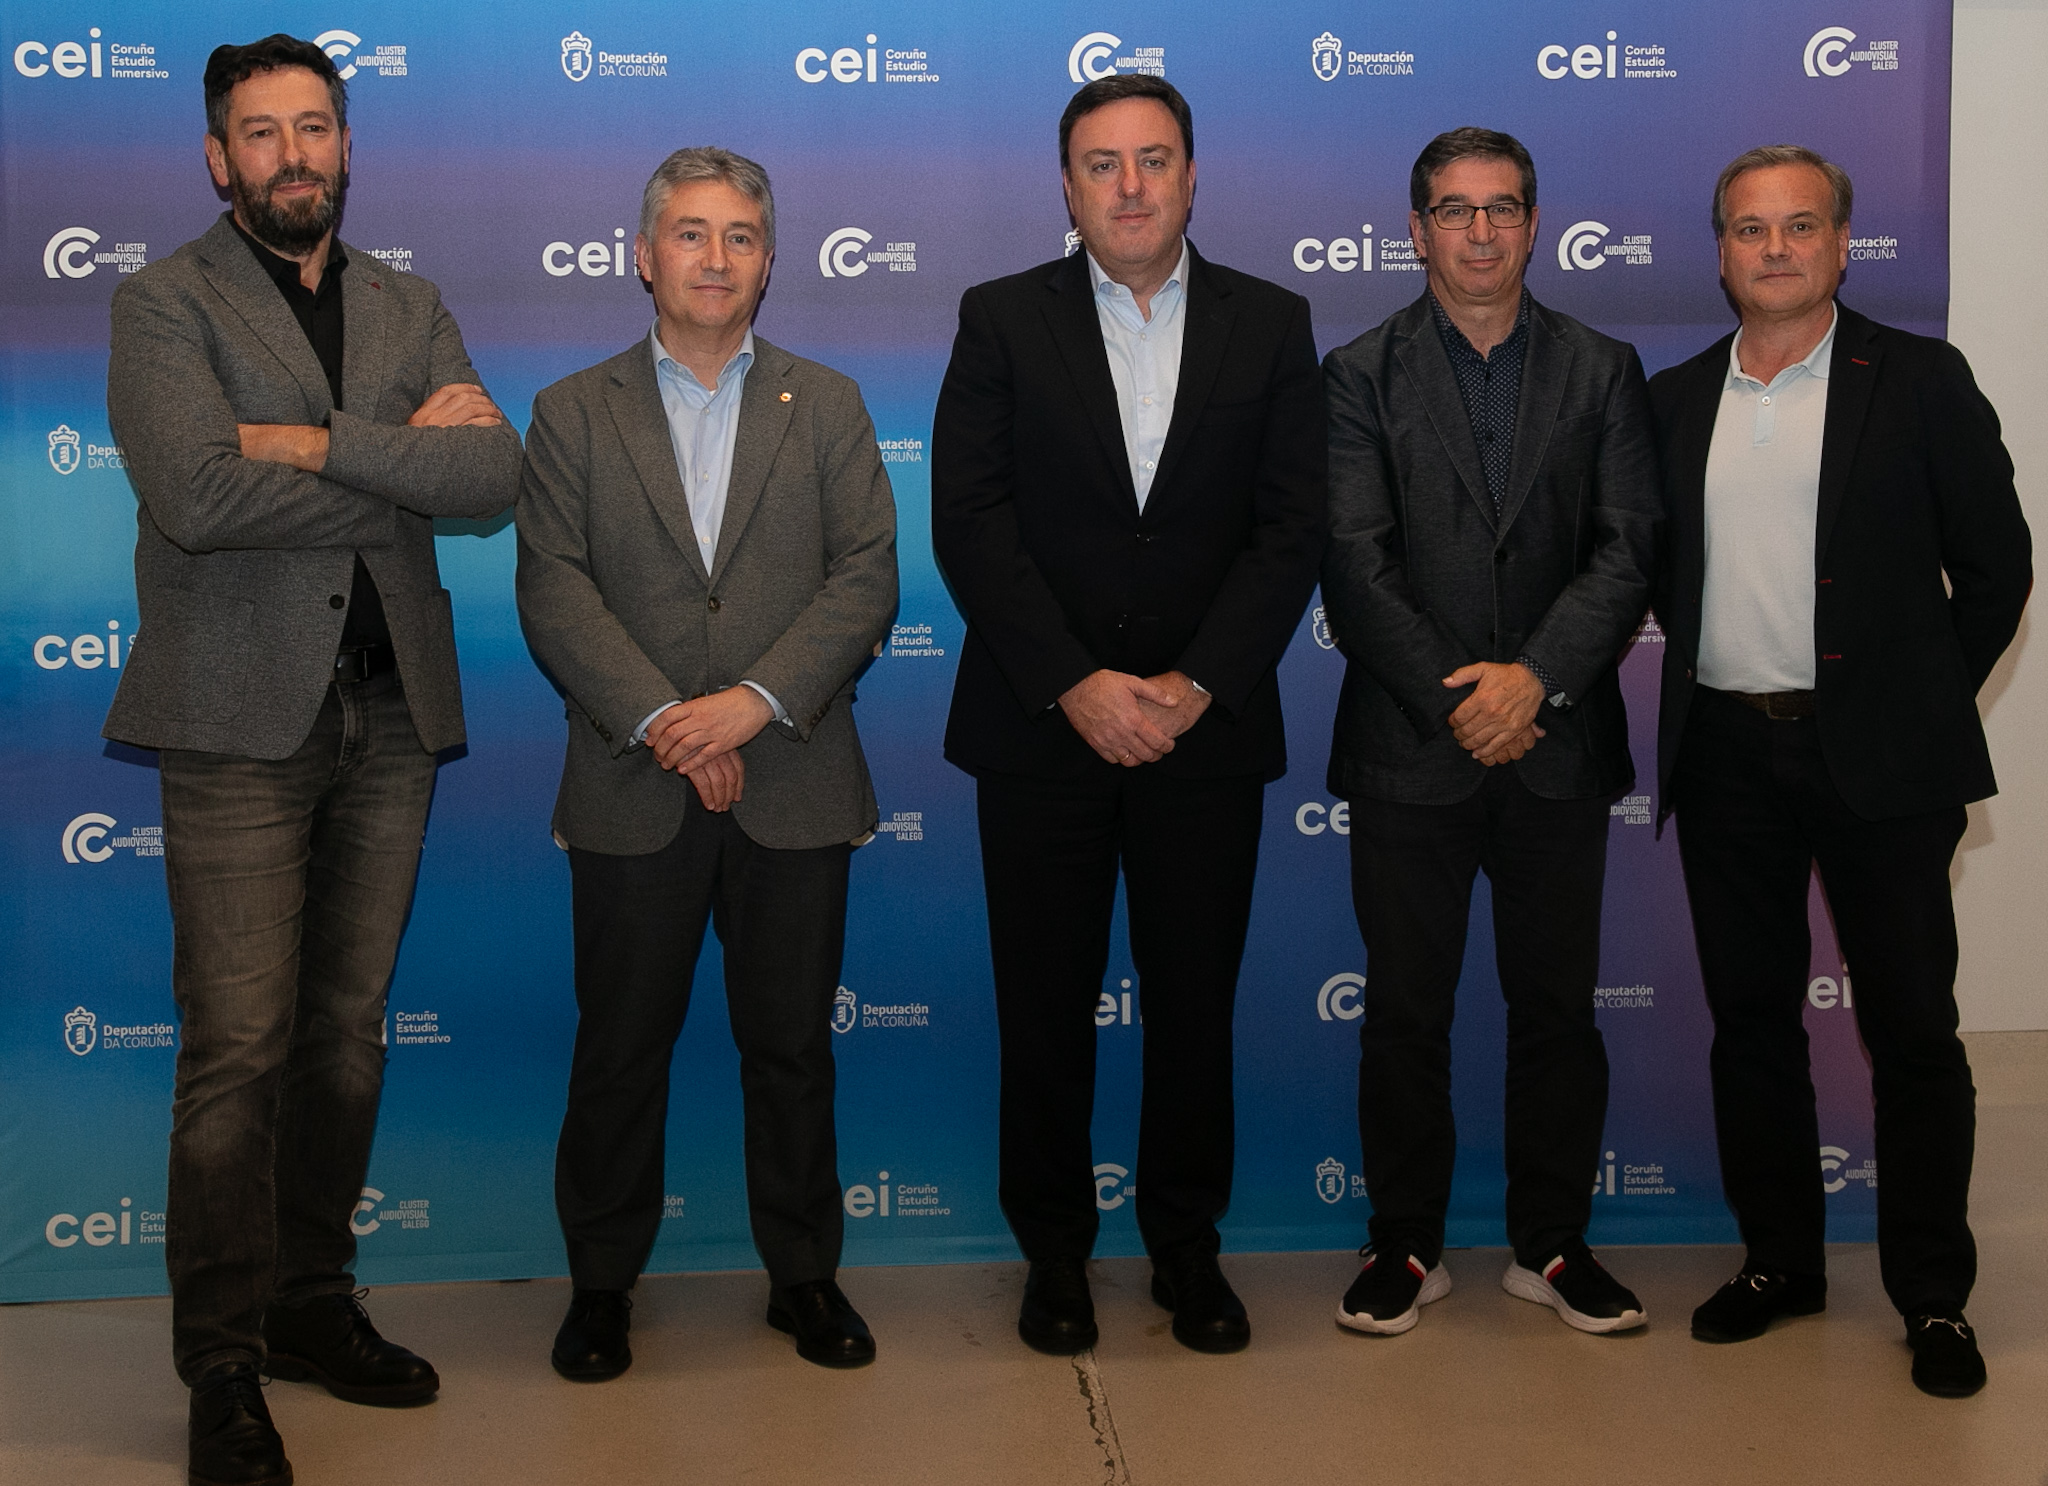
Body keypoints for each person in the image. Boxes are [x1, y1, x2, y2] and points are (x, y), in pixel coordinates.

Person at [103, 33, 521, 1486]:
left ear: (347, 146)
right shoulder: (162, 301)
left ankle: (307, 1298)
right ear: (218, 159)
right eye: (261, 131)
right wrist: (391, 458)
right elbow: (195, 494)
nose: (292, 154)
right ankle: (222, 1363)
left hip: (391, 715)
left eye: (315, 127)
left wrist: (304, 440)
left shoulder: (410, 302)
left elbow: (491, 473)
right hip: (237, 721)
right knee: (236, 1051)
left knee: (344, 1034)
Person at [931, 75, 1324, 1356]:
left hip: (1205, 735)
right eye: (1101, 164)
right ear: (1066, 186)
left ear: (1192, 176)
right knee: (1043, 1009)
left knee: (1193, 1009)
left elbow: (1290, 528)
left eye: (1153, 159)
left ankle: (1185, 1251)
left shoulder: (1271, 322)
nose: (1131, 185)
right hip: (1040, 728)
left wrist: (1198, 683)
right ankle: (1053, 1255)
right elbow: (969, 520)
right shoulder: (999, 317)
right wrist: (1075, 682)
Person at [1649, 145, 2030, 1398]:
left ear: (1840, 243)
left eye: (1797, 225)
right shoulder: (1674, 398)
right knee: (1751, 1026)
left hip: (1881, 761)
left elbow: (1996, 569)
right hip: (1724, 755)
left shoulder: (1917, 379)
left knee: (1909, 1031)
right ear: (1719, 251)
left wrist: (1911, 706)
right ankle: (1779, 1263)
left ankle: (1931, 1293)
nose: (1773, 248)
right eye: (1748, 228)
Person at [515, 147, 898, 1381]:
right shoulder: (571, 410)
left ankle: (804, 1277)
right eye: (689, 233)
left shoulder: (826, 403)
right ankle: (600, 1287)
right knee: (619, 1050)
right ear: (643, 255)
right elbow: (553, 589)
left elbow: (865, 580)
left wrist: (746, 707)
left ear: (768, 261)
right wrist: (665, 722)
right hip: (631, 784)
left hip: (792, 776)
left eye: (739, 236)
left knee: (791, 1050)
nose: (715, 257)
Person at [1319, 127, 1659, 1338]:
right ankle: (1404, 1241)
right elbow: (1352, 561)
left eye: (1501, 208)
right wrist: (1464, 700)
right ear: (1415, 230)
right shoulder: (1356, 373)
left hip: (1556, 747)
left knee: (1555, 1011)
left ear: (1533, 223)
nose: (1478, 231)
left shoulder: (1602, 368)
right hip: (1410, 746)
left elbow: (1628, 546)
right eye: (1454, 210)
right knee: (1404, 1012)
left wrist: (1536, 682)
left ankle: (1551, 1243)